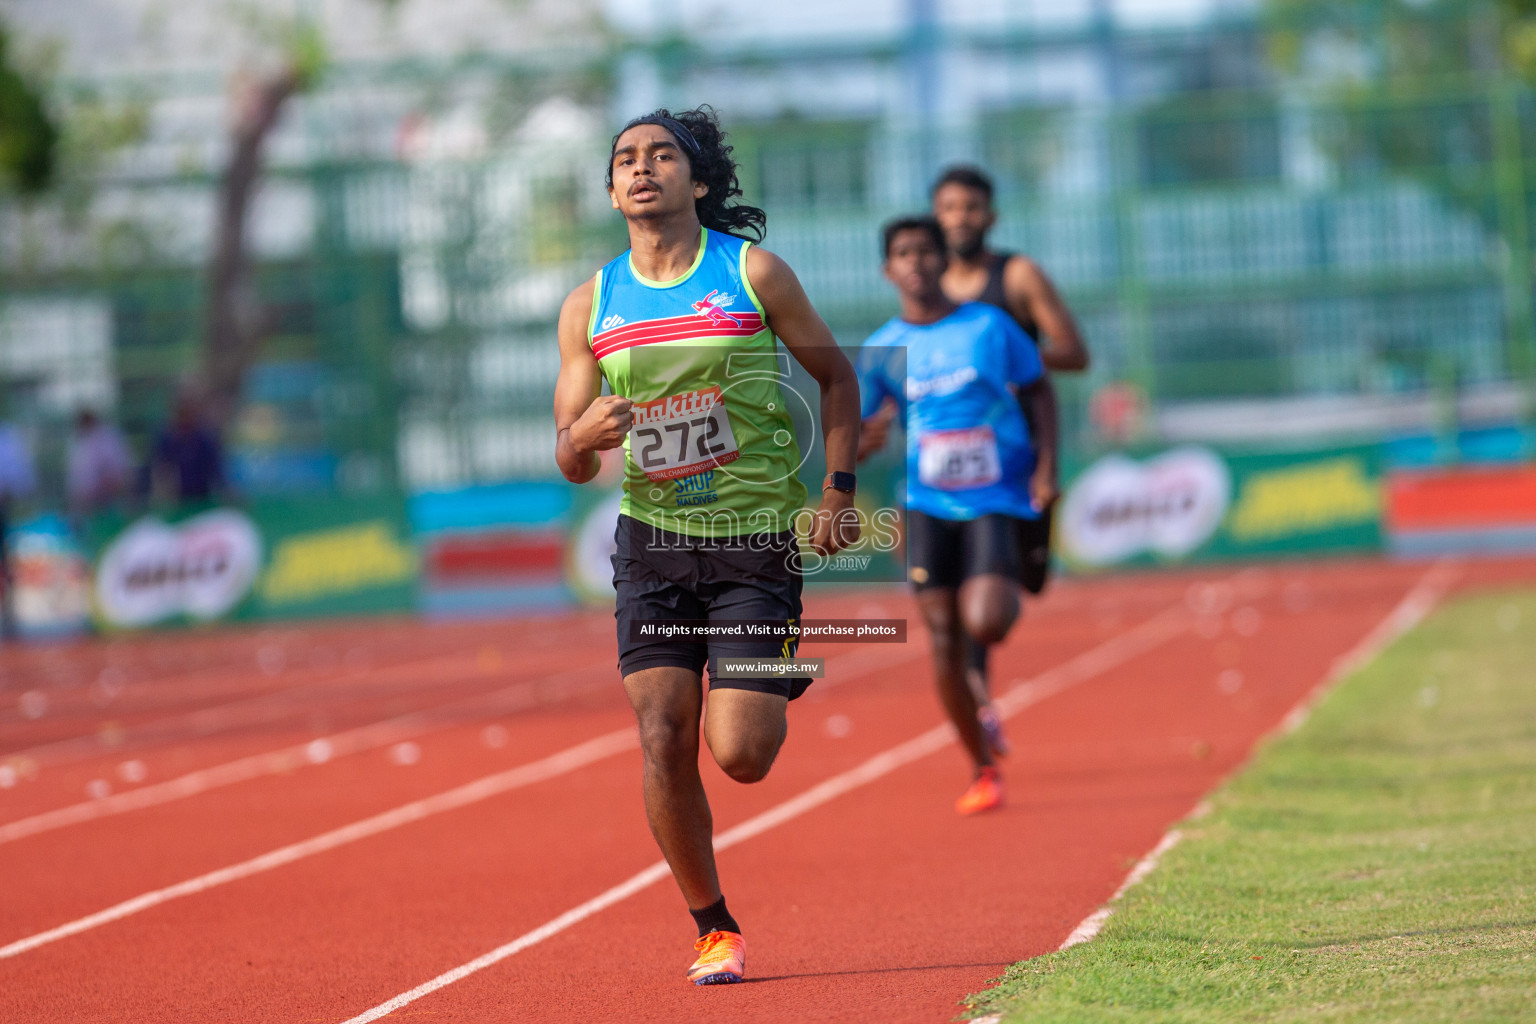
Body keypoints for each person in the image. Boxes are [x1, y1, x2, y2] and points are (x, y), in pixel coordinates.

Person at [552, 107, 861, 986]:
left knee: (743, 757)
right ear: (612, 191)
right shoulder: (590, 306)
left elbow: (838, 379)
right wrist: (586, 435)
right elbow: (569, 460)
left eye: (661, 156)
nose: (642, 169)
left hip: (753, 543)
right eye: (625, 160)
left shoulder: (752, 274)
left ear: (698, 181)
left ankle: (771, 665)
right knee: (662, 733)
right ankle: (712, 926)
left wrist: (839, 489)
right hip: (652, 545)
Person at [856, 215, 1059, 815]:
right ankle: (981, 764)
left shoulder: (988, 327)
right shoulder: (881, 348)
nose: (915, 263)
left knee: (988, 621)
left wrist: (1047, 468)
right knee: (941, 638)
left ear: (944, 261)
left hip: (994, 498)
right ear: (887, 270)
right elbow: (862, 423)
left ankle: (1016, 564)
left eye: (925, 251)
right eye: (902, 254)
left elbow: (1040, 388)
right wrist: (861, 440)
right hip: (924, 504)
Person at [930, 164, 1090, 756]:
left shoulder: (1017, 277)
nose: (959, 220)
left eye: (970, 208)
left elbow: (1074, 352)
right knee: (969, 595)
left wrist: (1006, 364)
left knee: (1028, 579)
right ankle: (978, 698)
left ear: (990, 217)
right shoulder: (930, 286)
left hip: (1019, 454)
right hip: (956, 468)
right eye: (948, 208)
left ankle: (992, 625)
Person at [145, 391, 226, 506]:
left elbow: (217, 474)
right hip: (173, 504)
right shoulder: (165, 439)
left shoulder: (204, 439)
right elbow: (158, 471)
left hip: (201, 501)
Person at [0, 420, 36, 639]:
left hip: (2, 510)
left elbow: (19, 479)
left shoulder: (7, 437)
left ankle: (10, 617)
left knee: (7, 567)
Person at [66, 409, 132, 526]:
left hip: (109, 499)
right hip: (89, 504)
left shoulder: (107, 439)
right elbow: (77, 480)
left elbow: (117, 472)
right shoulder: (79, 443)